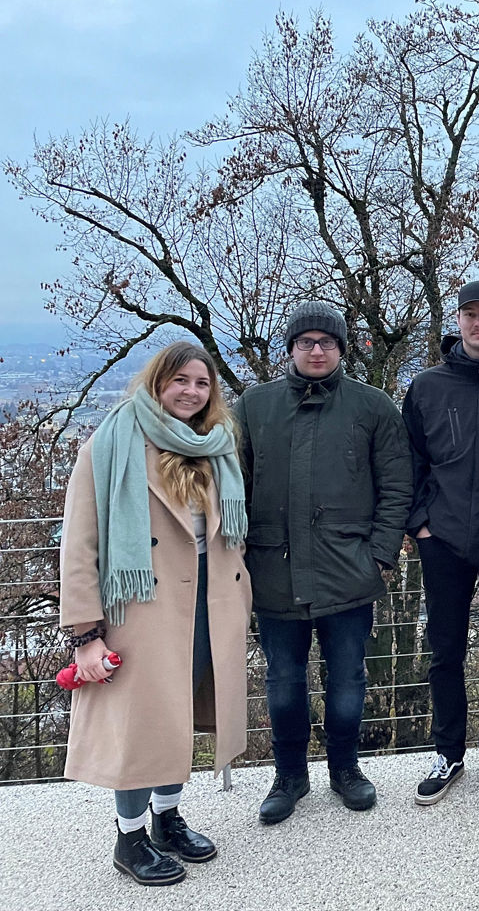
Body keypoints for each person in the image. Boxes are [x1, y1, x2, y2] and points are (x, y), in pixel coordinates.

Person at [59, 341, 250, 886]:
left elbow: (228, 536)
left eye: (202, 383)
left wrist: (242, 600)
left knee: (180, 719)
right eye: (180, 381)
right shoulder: (111, 443)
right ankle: (130, 837)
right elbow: (80, 545)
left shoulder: (214, 446)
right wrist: (86, 633)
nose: (191, 392)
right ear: (157, 382)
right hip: (139, 609)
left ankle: (167, 819)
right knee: (142, 728)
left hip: (207, 605)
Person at [235, 300, 412, 823]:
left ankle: (346, 770)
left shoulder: (373, 405)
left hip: (348, 572)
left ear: (342, 348)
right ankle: (289, 776)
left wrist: (379, 553)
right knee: (283, 682)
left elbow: (397, 485)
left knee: (348, 681)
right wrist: (239, 556)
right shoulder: (254, 405)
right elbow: (232, 487)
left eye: (327, 342)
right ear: (291, 348)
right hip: (274, 571)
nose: (317, 350)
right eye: (306, 342)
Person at [401, 280, 479, 805]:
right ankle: (448, 750)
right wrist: (420, 522)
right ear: (457, 321)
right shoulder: (427, 386)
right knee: (445, 650)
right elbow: (407, 460)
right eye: (470, 314)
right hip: (444, 538)